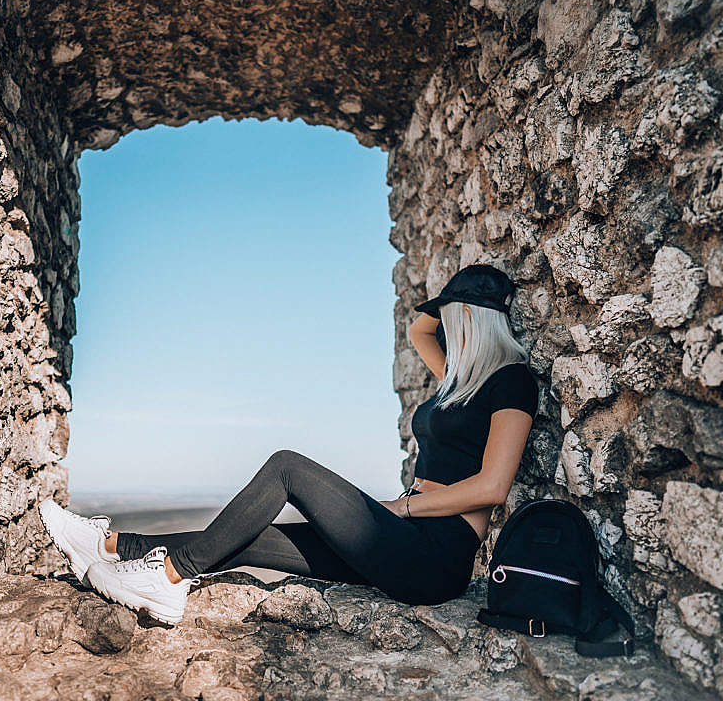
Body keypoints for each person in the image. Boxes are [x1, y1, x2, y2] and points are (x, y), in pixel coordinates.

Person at [38, 264, 539, 625]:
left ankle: (169, 577)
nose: (446, 329)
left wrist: (405, 509)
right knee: (245, 537)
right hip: (401, 542)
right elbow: (419, 329)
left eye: (454, 318)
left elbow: (493, 487)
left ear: (471, 319)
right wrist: (451, 305)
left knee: (286, 467)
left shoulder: (512, 381)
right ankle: (110, 546)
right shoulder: (458, 381)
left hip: (434, 556)